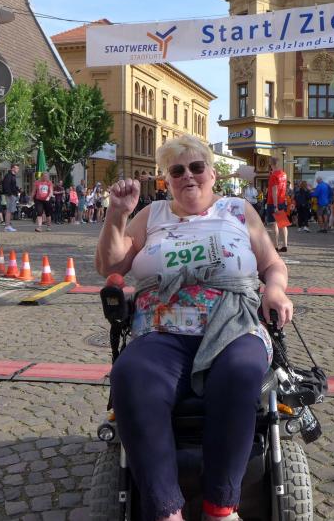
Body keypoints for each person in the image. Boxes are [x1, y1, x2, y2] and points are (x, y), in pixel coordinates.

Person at [96, 135, 292, 521]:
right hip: (161, 327)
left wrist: (275, 289)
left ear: (212, 173)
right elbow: (110, 266)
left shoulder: (237, 210)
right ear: (167, 179)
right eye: (177, 170)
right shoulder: (152, 215)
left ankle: (220, 507)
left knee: (241, 371)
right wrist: (117, 214)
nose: (188, 175)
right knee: (130, 375)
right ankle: (166, 509)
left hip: (234, 323)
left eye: (196, 167)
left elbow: (272, 264)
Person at [264, 157, 289, 252]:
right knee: (283, 224)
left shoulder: (273, 175)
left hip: (273, 203)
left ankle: (276, 246)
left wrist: (275, 206)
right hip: (281, 201)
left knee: (274, 224)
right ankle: (285, 245)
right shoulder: (284, 174)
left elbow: (274, 190)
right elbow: (284, 188)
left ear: (271, 164)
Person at [1, 164, 20, 232]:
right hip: (10, 195)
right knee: (9, 210)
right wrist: (10, 194)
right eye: (16, 168)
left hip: (12, 195)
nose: (18, 169)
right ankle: (7, 226)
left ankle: (8, 225)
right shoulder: (8, 176)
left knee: (10, 211)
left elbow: (13, 186)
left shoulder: (12, 176)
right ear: (12, 168)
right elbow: (6, 185)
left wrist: (18, 190)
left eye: (18, 168)